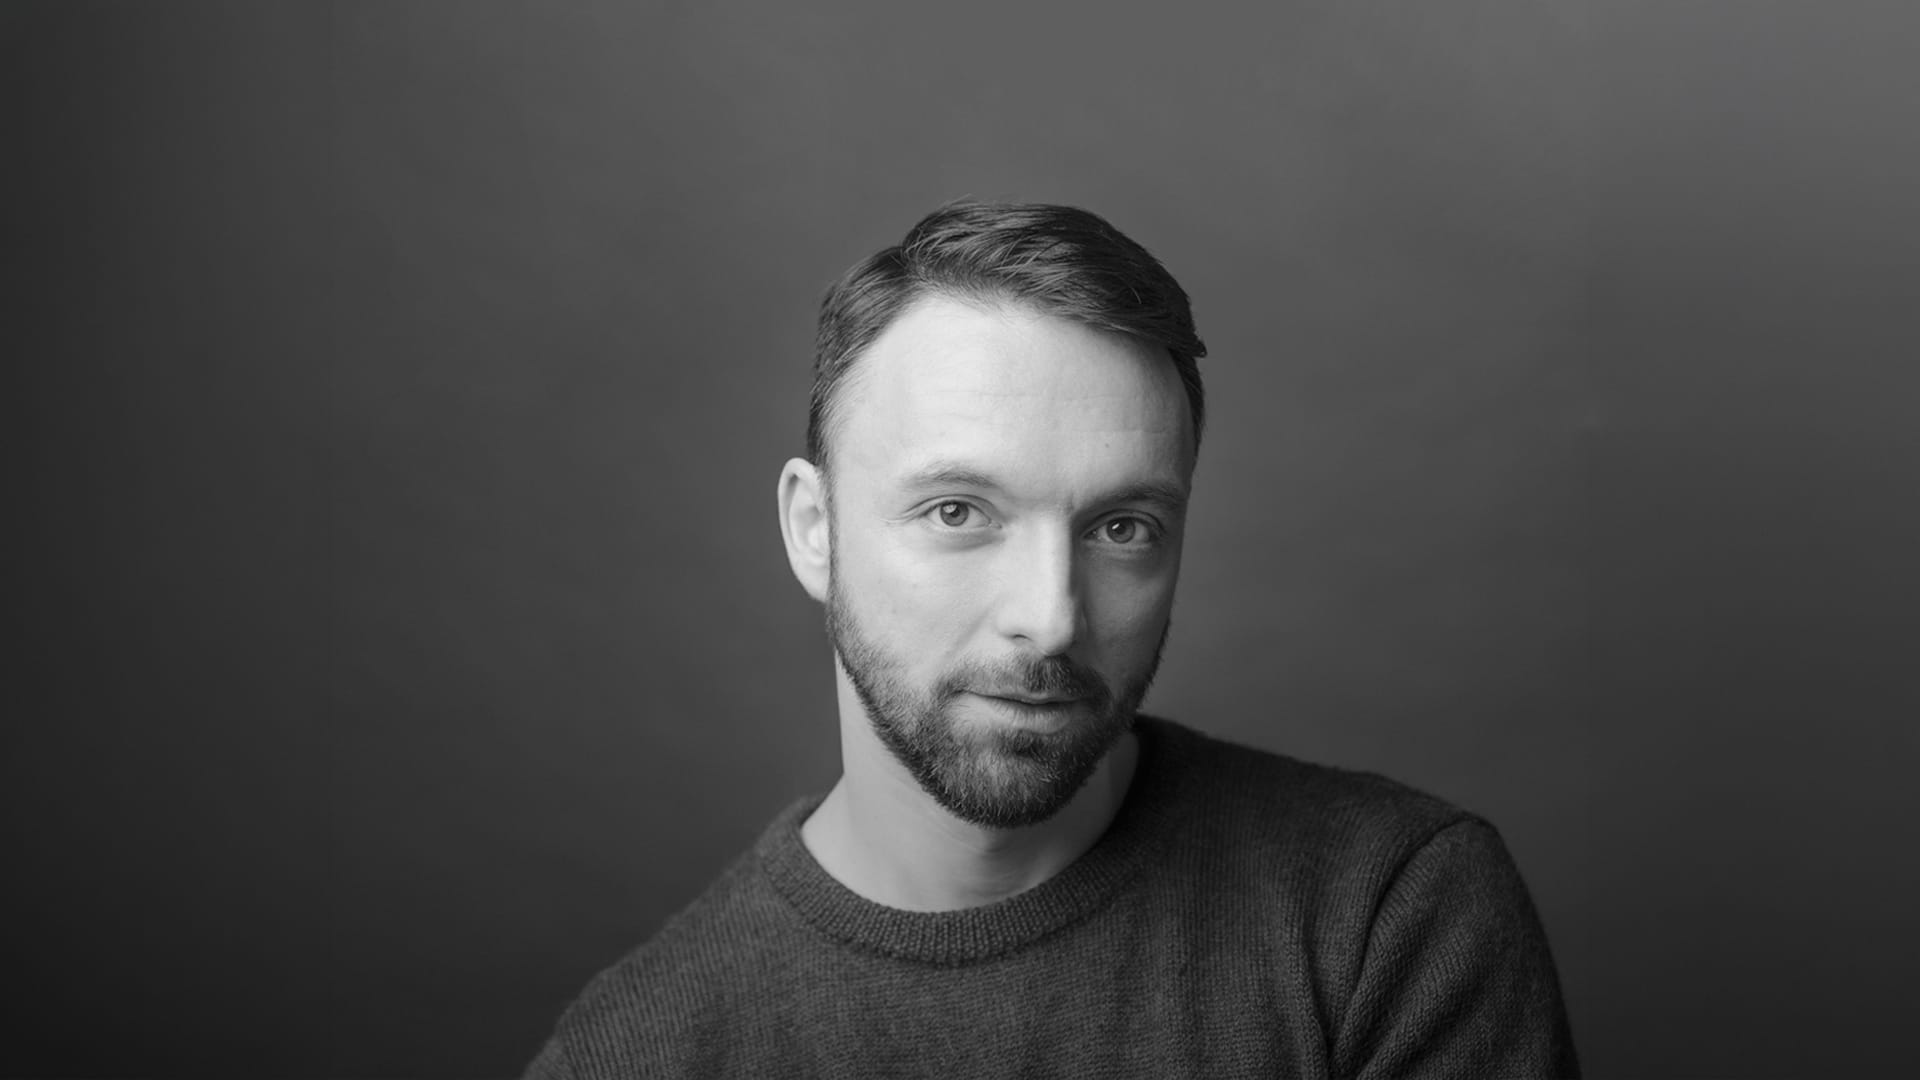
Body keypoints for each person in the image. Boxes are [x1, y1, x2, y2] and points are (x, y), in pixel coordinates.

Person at [523, 202, 1578, 1078]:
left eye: (1123, 528)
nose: (1054, 616)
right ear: (814, 529)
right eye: (957, 512)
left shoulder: (1388, 920)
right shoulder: (629, 1057)